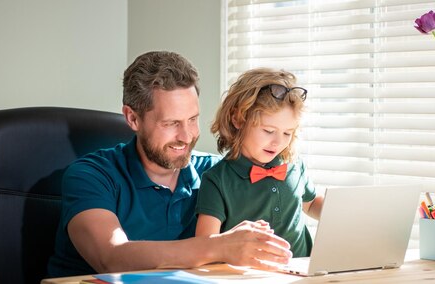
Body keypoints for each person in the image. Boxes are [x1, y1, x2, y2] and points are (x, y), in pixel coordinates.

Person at [47, 51, 292, 278]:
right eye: (171, 123)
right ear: (133, 118)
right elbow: (111, 257)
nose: (186, 136)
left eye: (192, 120)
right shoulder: (91, 176)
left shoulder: (218, 174)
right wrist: (218, 247)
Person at [195, 68, 325, 258]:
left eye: (287, 133)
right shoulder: (217, 180)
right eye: (269, 131)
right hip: (247, 275)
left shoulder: (294, 165)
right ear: (238, 119)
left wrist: (343, 213)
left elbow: (311, 204)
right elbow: (205, 243)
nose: (278, 142)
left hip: (301, 271)